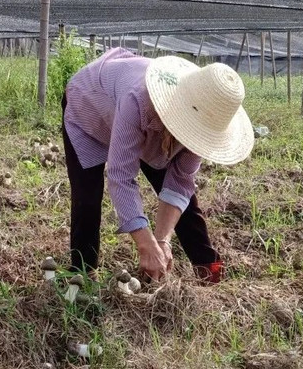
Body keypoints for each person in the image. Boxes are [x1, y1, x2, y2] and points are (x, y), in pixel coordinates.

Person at [61, 47, 254, 283]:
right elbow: (121, 176)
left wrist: (161, 240)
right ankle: (82, 274)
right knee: (87, 197)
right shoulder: (139, 100)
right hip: (89, 105)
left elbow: (180, 183)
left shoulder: (206, 117)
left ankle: (209, 272)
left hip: (138, 118)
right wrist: (145, 243)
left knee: (185, 201)